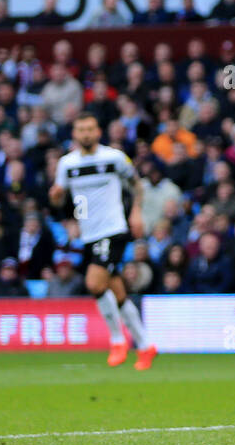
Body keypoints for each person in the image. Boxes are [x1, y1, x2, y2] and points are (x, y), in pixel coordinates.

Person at [49, 112, 157, 369]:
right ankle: (145, 346)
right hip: (89, 233)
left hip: (114, 228)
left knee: (94, 284)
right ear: (74, 134)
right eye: (80, 130)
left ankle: (118, 339)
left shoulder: (114, 158)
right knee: (116, 290)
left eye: (90, 129)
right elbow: (60, 199)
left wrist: (136, 212)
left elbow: (136, 184)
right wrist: (56, 198)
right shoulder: (67, 163)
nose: (86, 134)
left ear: (98, 132)